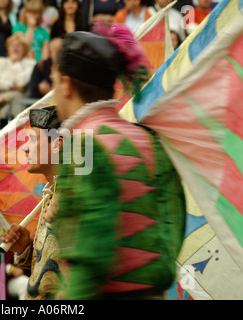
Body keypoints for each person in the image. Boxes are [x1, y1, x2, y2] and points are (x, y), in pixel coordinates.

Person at [50, 26, 186, 299]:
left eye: (53, 81)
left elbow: (88, 260)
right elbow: (173, 226)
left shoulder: (83, 146)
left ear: (66, 84)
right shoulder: (150, 141)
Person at [0, 106, 63, 300]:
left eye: (33, 139)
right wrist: (25, 248)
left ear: (57, 145)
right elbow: (50, 268)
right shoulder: (52, 194)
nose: (25, 148)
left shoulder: (74, 196)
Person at [0, 33, 36, 125]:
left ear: (24, 49)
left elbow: (21, 83)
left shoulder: (30, 64)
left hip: (18, 103)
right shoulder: (0, 62)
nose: (15, 48)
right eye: (12, 45)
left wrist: (16, 63)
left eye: (19, 46)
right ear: (8, 48)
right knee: (13, 95)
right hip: (0, 101)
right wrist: (13, 85)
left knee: (16, 96)